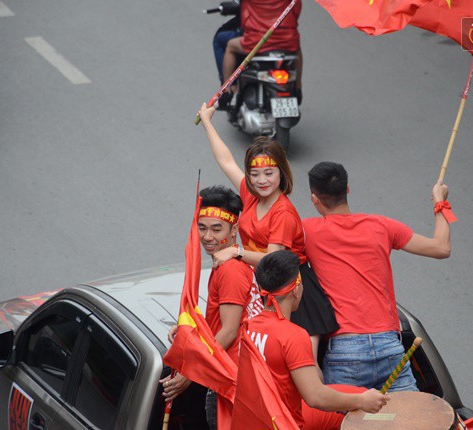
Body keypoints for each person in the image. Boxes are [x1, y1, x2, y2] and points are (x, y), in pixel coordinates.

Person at [198, 103, 338, 362]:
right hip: (264, 285)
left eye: (269, 173)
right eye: (255, 174)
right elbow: (226, 160)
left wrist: (236, 252)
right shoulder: (251, 197)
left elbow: (273, 259)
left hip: (293, 291)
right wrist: (207, 121)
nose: (262, 180)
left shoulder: (282, 212)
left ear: (281, 172)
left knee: (299, 365)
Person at [302, 162, 453, 392]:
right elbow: (441, 248)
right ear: (348, 189)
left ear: (314, 199)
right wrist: (439, 201)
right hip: (389, 347)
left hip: (344, 351)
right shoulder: (382, 226)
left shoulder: (307, 231)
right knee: (408, 421)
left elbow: (272, 254)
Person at [244, 250, 390, 429]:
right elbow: (315, 396)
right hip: (284, 421)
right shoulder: (293, 335)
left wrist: (360, 396)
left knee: (358, 393)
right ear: (296, 289)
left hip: (256, 418)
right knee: (356, 416)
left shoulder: (247, 326)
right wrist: (361, 401)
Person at [160, 185, 264, 429]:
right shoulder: (226, 263)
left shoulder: (230, 270)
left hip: (225, 379)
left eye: (217, 229)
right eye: (203, 228)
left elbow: (229, 331)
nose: (208, 237)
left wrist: (190, 374)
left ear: (234, 229)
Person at [221, 0, 303, 96]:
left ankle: (226, 90)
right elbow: (296, 10)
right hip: (287, 41)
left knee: (230, 46)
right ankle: (298, 86)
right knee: (296, 49)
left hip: (257, 42)